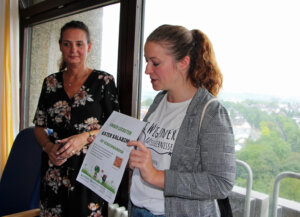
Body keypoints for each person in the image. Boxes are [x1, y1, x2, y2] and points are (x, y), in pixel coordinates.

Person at [128, 24, 236, 217]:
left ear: (183, 62)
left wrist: (156, 176)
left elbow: (221, 183)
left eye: (155, 63)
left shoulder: (211, 112)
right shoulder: (159, 100)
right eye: (146, 61)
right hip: (137, 208)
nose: (147, 70)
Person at [33, 20, 119, 217]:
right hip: (54, 170)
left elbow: (116, 128)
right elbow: (39, 126)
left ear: (88, 47)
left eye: (79, 44)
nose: (73, 50)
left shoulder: (104, 82)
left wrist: (84, 137)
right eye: (67, 44)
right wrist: (48, 147)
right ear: (61, 46)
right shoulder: (50, 83)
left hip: (91, 173)